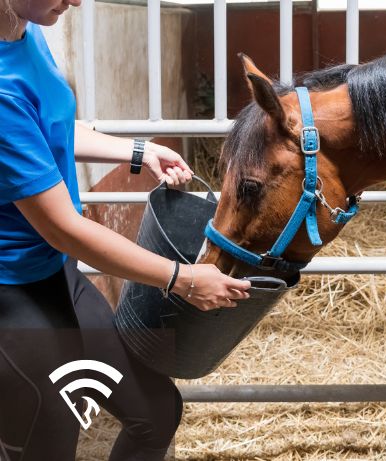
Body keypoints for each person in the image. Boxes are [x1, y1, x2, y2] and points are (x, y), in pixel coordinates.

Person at [0, 0, 252, 459]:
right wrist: (183, 278)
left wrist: (138, 151)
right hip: (15, 294)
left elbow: (50, 128)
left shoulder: (25, 32)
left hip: (59, 277)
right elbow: (66, 230)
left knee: (155, 412)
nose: (75, 1)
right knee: (51, 442)